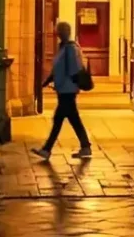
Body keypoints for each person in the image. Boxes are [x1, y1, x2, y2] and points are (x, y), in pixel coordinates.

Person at [34, 20, 93, 161]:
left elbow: (74, 69)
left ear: (66, 32)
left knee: (59, 119)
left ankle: (47, 149)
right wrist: (46, 82)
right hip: (63, 89)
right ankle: (85, 146)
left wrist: (70, 84)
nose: (58, 33)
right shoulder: (62, 47)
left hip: (68, 90)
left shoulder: (71, 48)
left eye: (60, 31)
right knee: (72, 119)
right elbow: (56, 70)